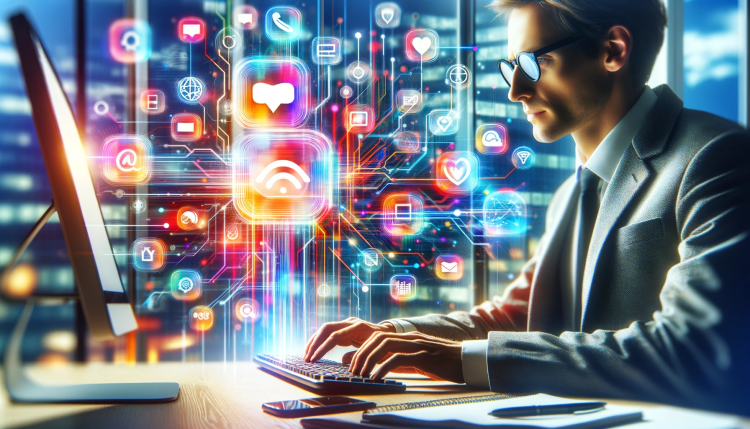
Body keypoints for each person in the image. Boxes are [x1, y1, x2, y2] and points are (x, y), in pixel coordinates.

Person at [305, 0, 750, 415]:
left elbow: (691, 347)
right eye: (512, 67)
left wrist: (461, 360)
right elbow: (519, 315)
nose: (516, 89)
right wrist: (399, 336)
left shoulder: (715, 157)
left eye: (535, 63)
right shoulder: (570, 195)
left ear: (613, 50)